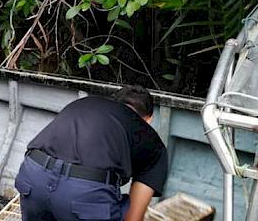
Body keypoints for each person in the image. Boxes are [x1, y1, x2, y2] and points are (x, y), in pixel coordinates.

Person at [15, 85, 168, 220]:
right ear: (149, 120)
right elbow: (133, 217)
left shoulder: (85, 104)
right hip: (84, 194)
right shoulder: (152, 142)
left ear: (114, 103)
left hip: (32, 176)